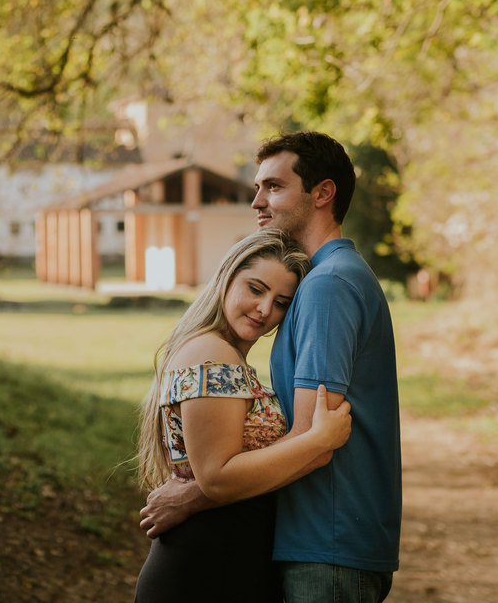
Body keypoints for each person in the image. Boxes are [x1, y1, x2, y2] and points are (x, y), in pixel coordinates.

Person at [139, 131, 402, 603]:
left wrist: (195, 494)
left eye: (274, 187)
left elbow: (315, 438)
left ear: (323, 193)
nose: (257, 201)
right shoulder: (325, 281)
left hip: (329, 541)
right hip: (299, 543)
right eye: (258, 187)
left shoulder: (328, 286)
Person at [133, 229, 353, 602]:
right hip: (203, 571)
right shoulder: (211, 353)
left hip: (226, 563)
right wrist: (318, 439)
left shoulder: (226, 356)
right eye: (255, 289)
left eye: (281, 301)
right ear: (227, 278)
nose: (265, 309)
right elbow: (217, 478)